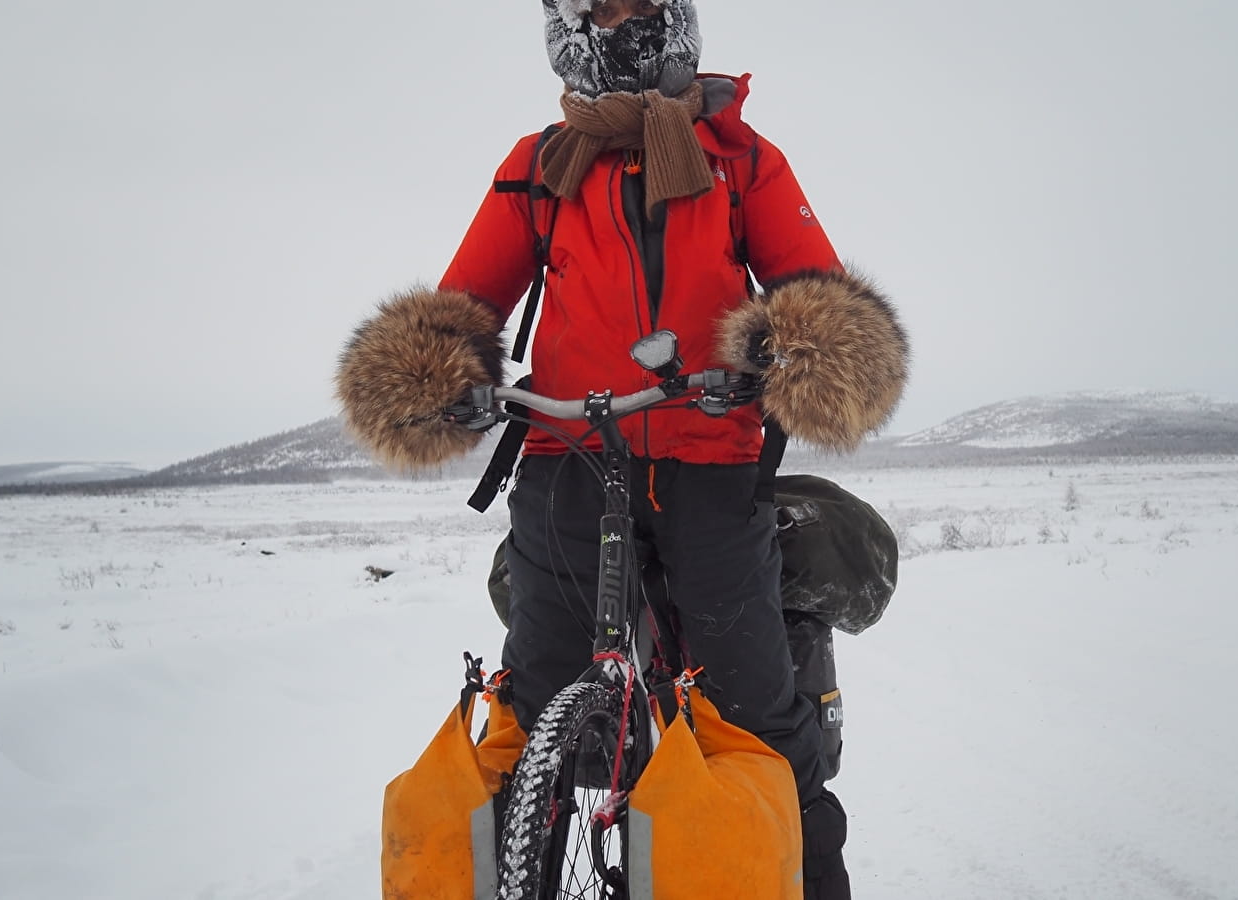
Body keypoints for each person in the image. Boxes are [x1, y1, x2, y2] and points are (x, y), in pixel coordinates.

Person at [337, 2, 907, 898]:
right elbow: (465, 299)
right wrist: (434, 373)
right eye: (600, 8)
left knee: (752, 708)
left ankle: (809, 878)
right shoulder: (537, 164)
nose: (622, 24)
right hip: (565, 453)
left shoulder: (738, 157)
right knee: (535, 704)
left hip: (710, 455)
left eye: (642, 6)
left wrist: (793, 350)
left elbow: (814, 285)